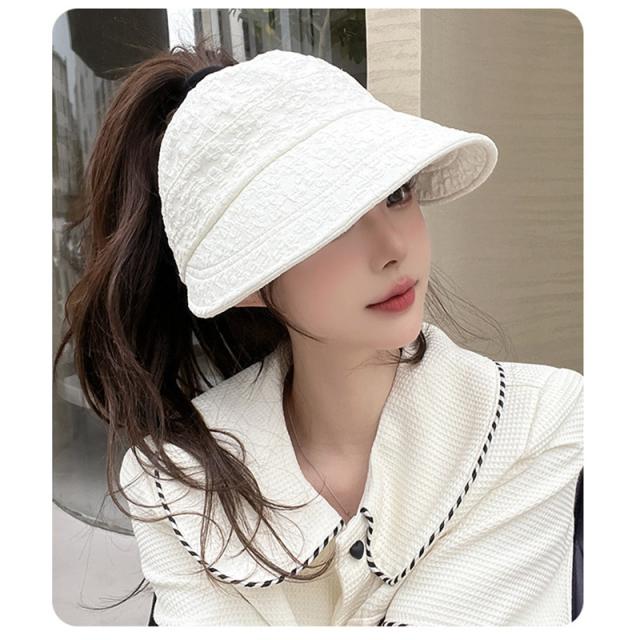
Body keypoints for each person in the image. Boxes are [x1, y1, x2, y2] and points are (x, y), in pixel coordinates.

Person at [54, 41, 583, 626]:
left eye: (397, 193)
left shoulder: (537, 422)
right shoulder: (176, 482)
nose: (393, 248)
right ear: (247, 277)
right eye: (332, 222)